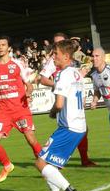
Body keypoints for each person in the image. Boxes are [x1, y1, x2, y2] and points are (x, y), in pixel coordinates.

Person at [0, 36, 43, 182]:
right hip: (3, 112)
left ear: (9, 48)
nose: (0, 47)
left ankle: (46, 165)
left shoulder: (17, 64)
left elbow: (29, 84)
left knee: (31, 139)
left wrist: (28, 93)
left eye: (3, 45)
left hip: (21, 109)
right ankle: (7, 165)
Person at [36, 40, 85, 191]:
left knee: (41, 163)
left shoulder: (64, 74)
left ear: (66, 56)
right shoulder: (76, 73)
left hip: (69, 127)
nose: (53, 56)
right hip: (78, 125)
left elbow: (59, 104)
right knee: (52, 164)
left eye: (55, 53)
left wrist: (52, 112)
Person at [39, 32, 96, 167]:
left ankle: (82, 159)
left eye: (59, 42)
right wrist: (57, 85)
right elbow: (43, 79)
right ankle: (59, 160)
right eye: (55, 43)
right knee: (72, 129)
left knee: (81, 129)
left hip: (72, 98)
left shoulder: (72, 59)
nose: (56, 46)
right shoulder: (53, 62)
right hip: (63, 97)